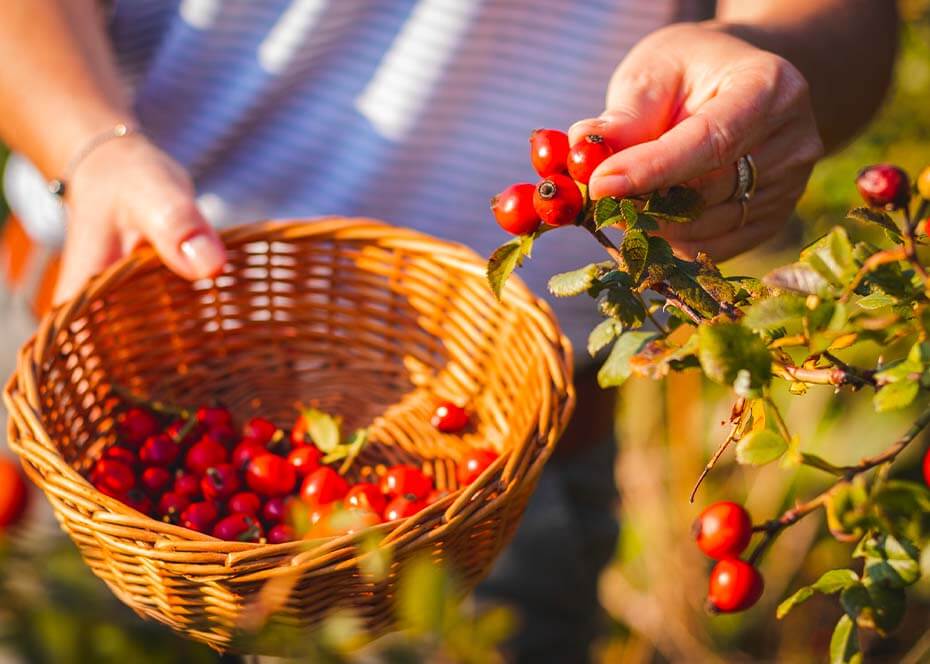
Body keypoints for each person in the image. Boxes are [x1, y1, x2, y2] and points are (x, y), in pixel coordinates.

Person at [0, 1, 898, 661]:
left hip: (503, 479)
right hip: (108, 367)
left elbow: (849, 25)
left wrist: (761, 63)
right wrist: (89, 143)